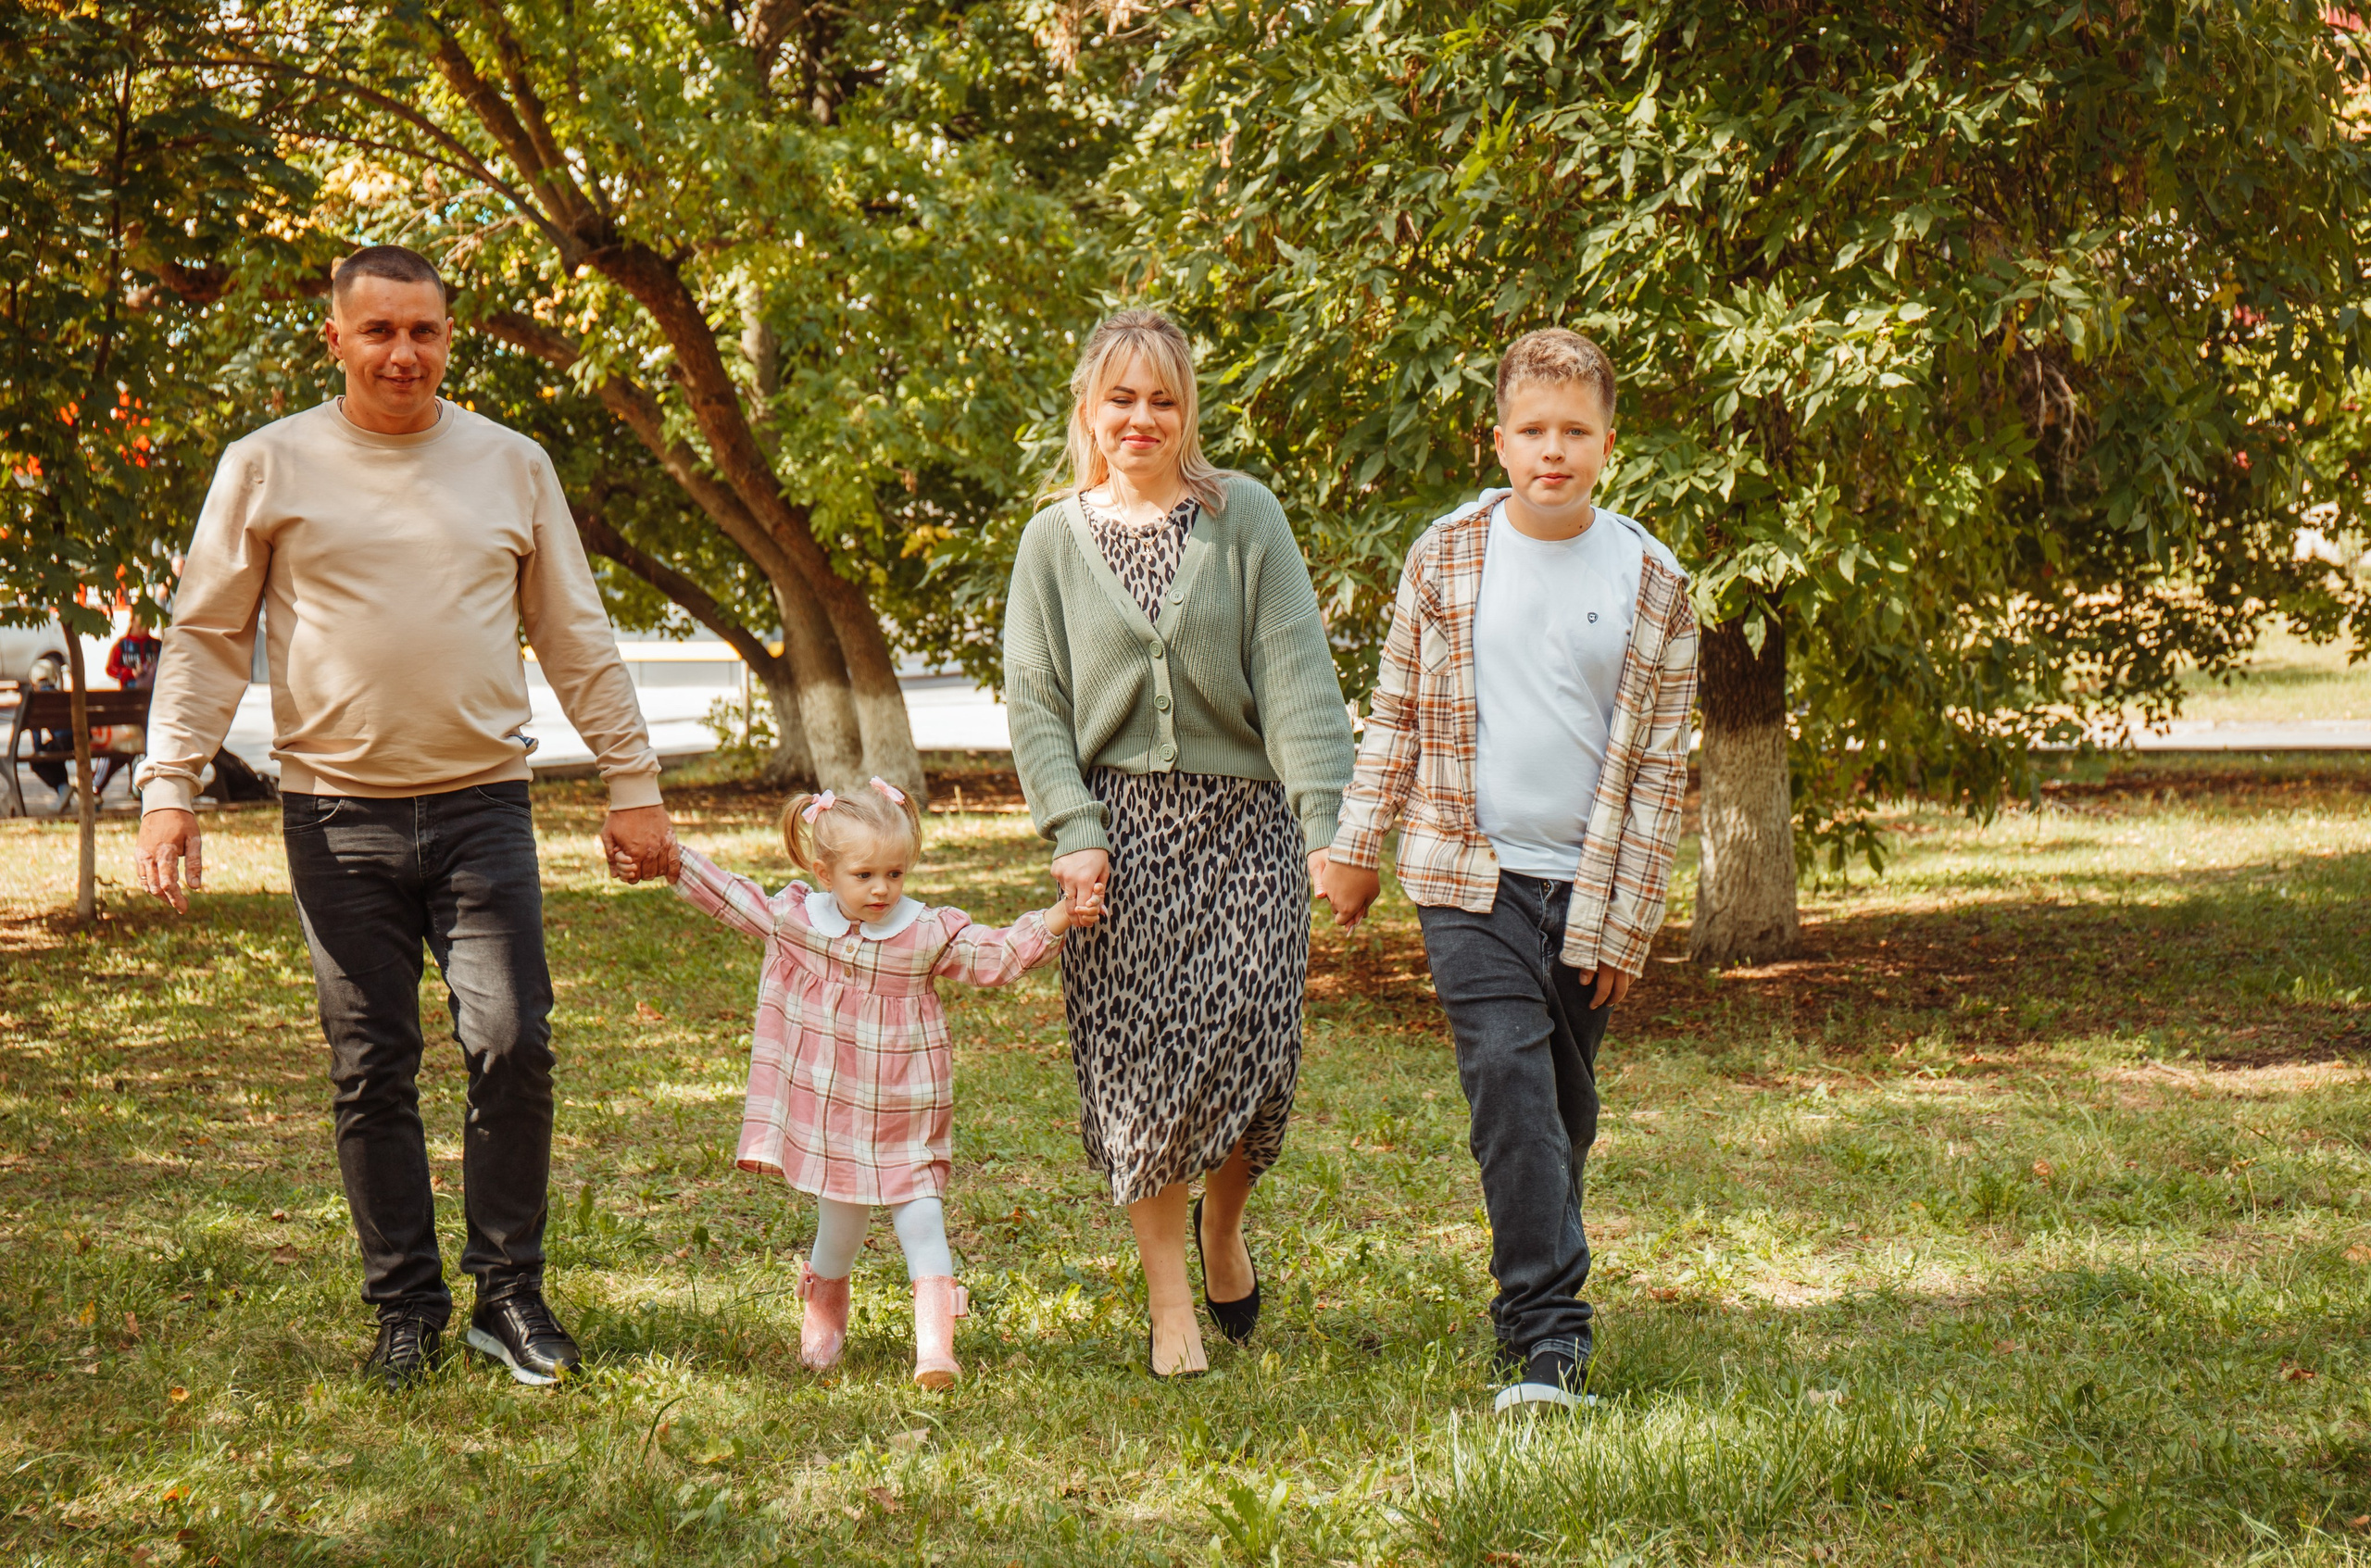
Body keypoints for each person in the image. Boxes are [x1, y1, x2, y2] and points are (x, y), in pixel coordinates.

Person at [131, 244, 682, 1392]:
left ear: (448, 336)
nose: (403, 353)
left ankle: (509, 1294)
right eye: (378, 331)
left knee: (511, 1040)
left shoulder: (510, 463)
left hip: (484, 806)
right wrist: (171, 782)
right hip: (335, 818)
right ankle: (404, 1306)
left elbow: (574, 632)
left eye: (423, 331)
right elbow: (209, 633)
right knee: (371, 1064)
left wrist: (633, 782)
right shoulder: (268, 465)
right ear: (334, 337)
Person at [1319, 328, 1700, 1413]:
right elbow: (1393, 711)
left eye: (1574, 431)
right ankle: (1551, 1343)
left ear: (1608, 445)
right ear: (1497, 438)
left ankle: (1520, 1304)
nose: (1552, 450)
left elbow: (1663, 774)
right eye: (1532, 430)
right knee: (1508, 1089)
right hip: (1467, 876)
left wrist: (1626, 927)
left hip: (1587, 889)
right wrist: (1356, 849)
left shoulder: (1652, 580)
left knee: (1564, 1115)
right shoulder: (1444, 555)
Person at [1002, 309, 1356, 1378]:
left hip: (1243, 826)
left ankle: (1222, 1227)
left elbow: (1297, 676)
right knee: (1137, 1070)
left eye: (1162, 398)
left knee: (1257, 1045)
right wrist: (1071, 830)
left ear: (1186, 407)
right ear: (1088, 410)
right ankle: (1170, 1305)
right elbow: (1034, 702)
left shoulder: (1243, 515)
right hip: (1119, 838)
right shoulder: (1052, 538)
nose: (1141, 419)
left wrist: (1325, 829)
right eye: (1121, 398)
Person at [667, 777, 1086, 1386]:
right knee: (840, 1227)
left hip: (903, 1110)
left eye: (895, 872)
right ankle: (824, 1319)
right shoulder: (798, 922)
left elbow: (993, 955)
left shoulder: (925, 932)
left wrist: (1056, 916)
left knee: (921, 1219)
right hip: (834, 1114)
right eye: (864, 875)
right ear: (824, 869)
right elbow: (733, 897)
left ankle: (935, 1349)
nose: (882, 888)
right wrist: (672, 860)